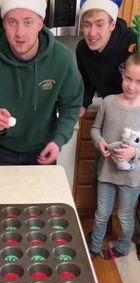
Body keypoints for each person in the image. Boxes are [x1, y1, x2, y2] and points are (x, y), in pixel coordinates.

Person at [0, 0, 83, 166]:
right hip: (3, 150)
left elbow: (71, 106)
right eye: (12, 22)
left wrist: (58, 140)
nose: (20, 33)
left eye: (28, 22)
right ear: (3, 23)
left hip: (44, 148)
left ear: (40, 23)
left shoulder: (62, 59)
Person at [76, 0, 137, 240]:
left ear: (112, 25)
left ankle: (136, 236)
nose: (92, 33)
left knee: (134, 182)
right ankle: (105, 226)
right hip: (110, 114)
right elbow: (86, 83)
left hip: (135, 114)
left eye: (100, 25)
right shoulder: (82, 50)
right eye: (87, 25)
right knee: (101, 176)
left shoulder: (130, 42)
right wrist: (81, 105)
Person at [89, 52, 140, 260]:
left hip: (131, 177)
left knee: (125, 217)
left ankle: (122, 247)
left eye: (139, 82)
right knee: (101, 215)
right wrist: (99, 141)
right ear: (122, 74)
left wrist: (134, 152)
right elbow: (95, 128)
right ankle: (94, 248)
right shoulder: (108, 102)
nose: (131, 86)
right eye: (128, 78)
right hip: (107, 172)